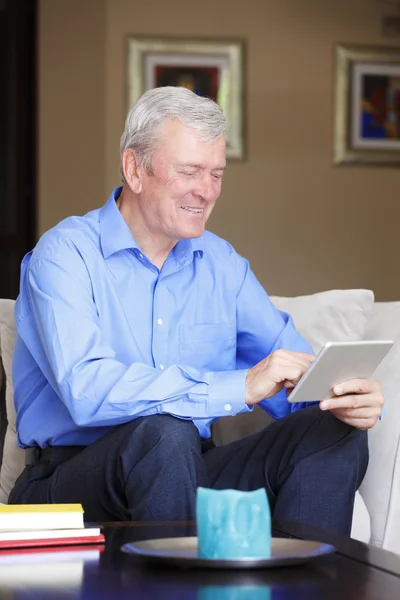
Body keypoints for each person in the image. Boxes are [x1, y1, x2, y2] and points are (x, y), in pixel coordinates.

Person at [9, 86, 383, 535]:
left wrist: (344, 399)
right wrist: (239, 385)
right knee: (165, 433)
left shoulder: (221, 264)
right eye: (190, 171)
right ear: (135, 168)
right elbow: (86, 389)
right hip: (70, 482)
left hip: (185, 470)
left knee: (331, 433)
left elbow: (299, 379)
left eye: (217, 174)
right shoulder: (64, 255)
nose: (206, 192)